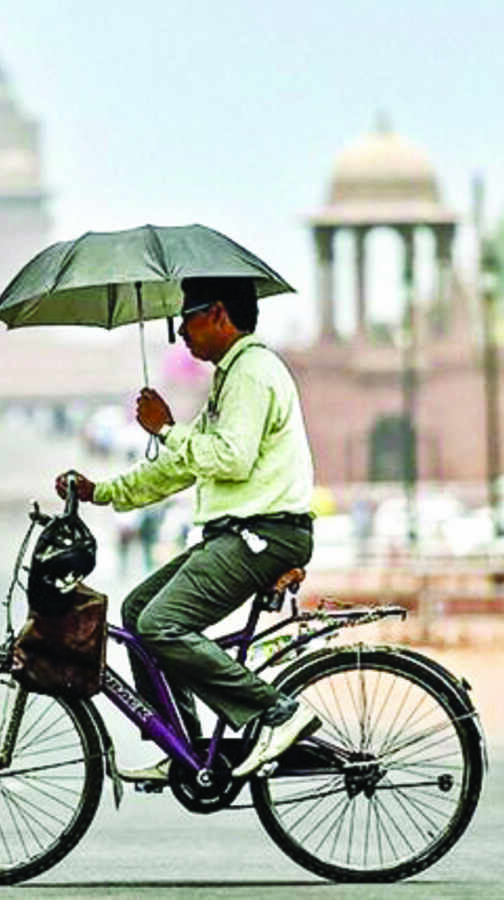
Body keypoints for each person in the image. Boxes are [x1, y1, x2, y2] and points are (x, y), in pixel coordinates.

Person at [55, 275, 318, 784]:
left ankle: (277, 712)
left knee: (161, 625)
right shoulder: (229, 377)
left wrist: (166, 429)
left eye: (186, 319)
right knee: (136, 613)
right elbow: (181, 467)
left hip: (264, 534)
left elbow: (231, 459)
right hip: (239, 534)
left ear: (218, 313)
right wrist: (101, 492)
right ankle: (183, 746)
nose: (180, 334)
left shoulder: (253, 372)